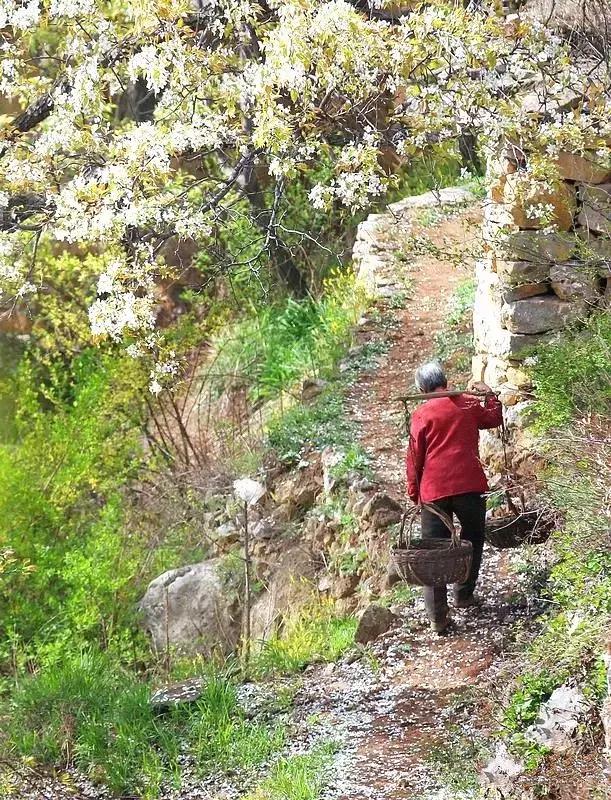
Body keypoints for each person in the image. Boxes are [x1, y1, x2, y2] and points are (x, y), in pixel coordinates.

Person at [405, 361, 503, 634]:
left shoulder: (422, 414)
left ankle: (438, 616)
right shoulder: (468, 404)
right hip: (469, 484)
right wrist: (490, 395)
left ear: (422, 390)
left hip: (434, 491)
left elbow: (414, 458)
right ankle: (464, 594)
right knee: (472, 539)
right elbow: (493, 418)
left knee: (433, 552)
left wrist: (414, 491)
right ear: (446, 382)